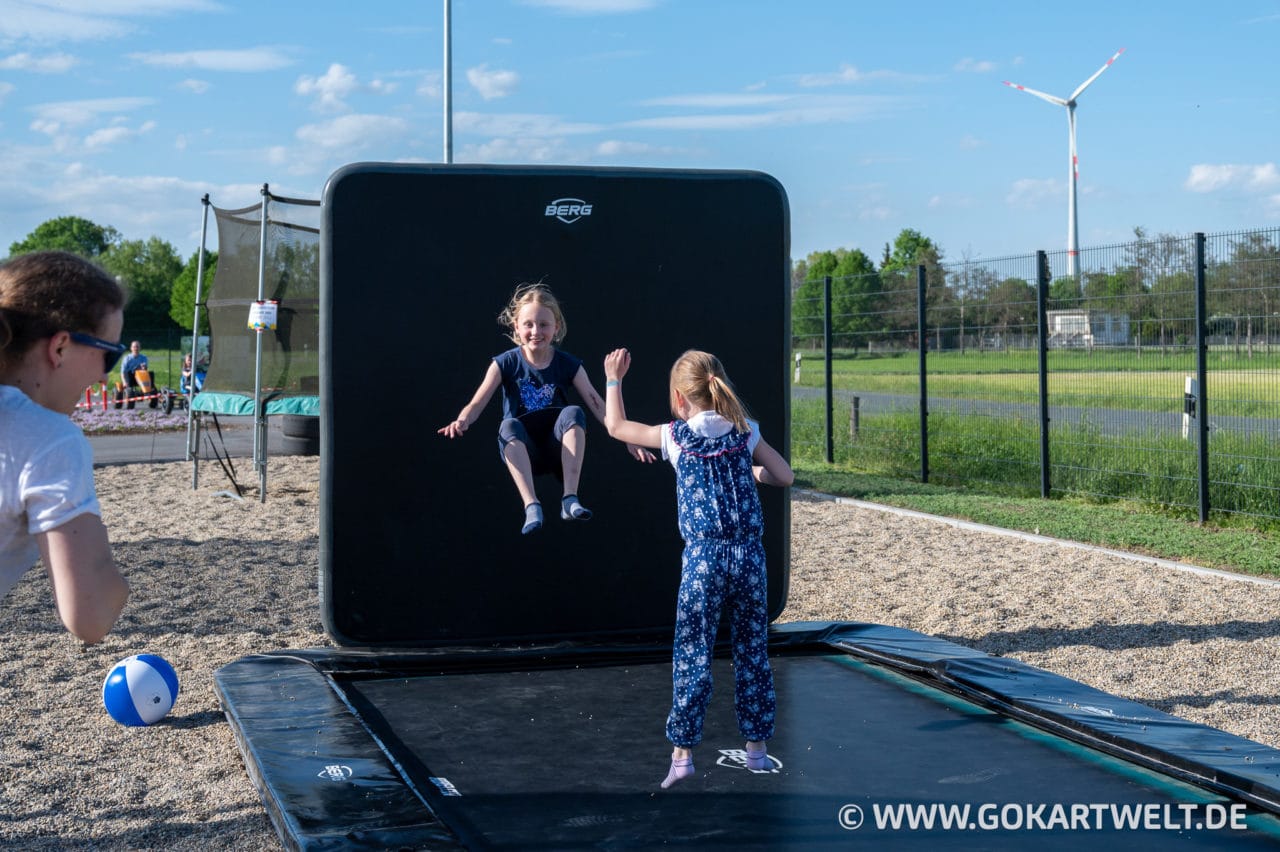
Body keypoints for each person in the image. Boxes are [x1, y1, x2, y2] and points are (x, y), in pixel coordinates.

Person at [602, 347, 793, 789]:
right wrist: (755, 473)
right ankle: (758, 751)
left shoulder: (676, 435)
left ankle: (683, 755)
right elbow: (784, 476)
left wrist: (614, 379)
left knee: (693, 653)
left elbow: (615, 427)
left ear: (678, 397)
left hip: (704, 559)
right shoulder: (745, 432)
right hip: (748, 557)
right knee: (751, 649)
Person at [438, 283, 652, 535]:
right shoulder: (505, 363)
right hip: (522, 449)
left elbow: (597, 402)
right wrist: (463, 420)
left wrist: (627, 436)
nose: (535, 331)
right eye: (528, 324)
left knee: (574, 412)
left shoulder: (568, 364)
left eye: (543, 325)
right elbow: (477, 402)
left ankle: (570, 497)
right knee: (508, 425)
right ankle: (531, 504)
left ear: (556, 328)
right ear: (516, 326)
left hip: (556, 448)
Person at [0, 251, 131, 644]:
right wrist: (114, 579)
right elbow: (89, 616)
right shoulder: (46, 437)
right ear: (59, 347)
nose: (103, 378)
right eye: (109, 354)